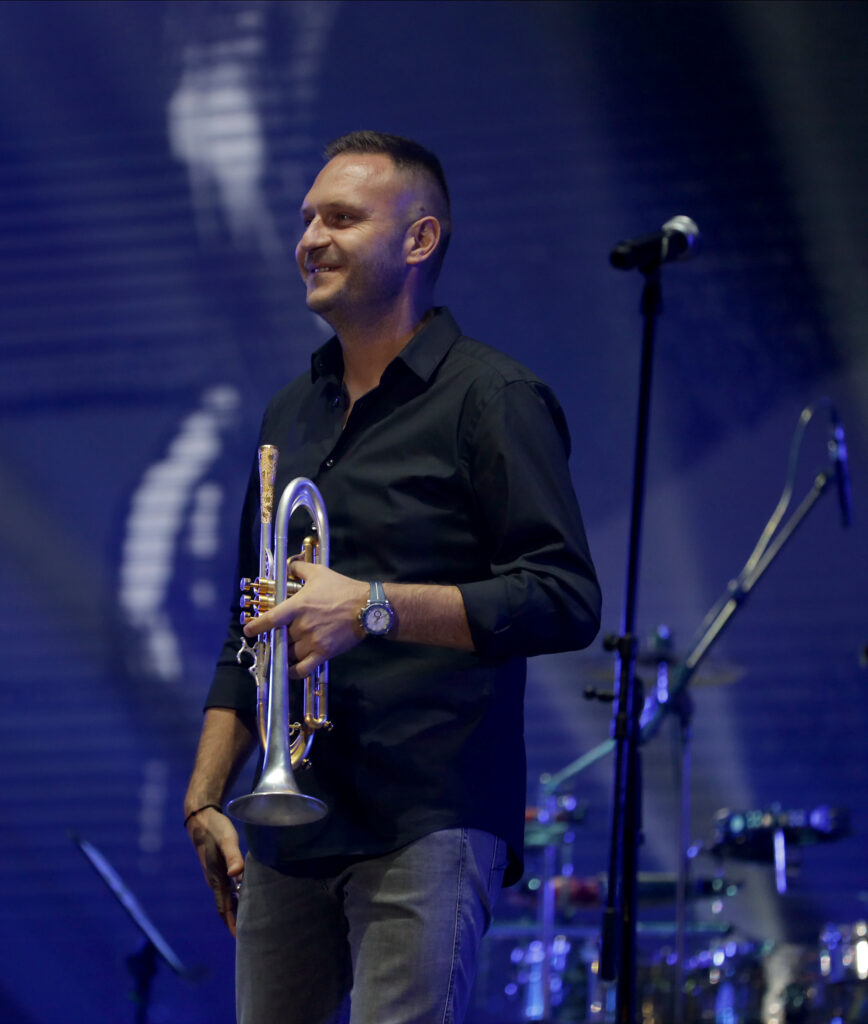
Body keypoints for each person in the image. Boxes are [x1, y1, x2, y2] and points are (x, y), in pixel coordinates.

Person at [183, 130, 602, 1024]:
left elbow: (564, 598)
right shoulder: (290, 410)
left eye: (341, 218)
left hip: (426, 813)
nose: (310, 239)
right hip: (291, 820)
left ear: (419, 239)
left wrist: (371, 608)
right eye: (307, 220)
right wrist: (204, 796)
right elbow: (251, 625)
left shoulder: (492, 398)